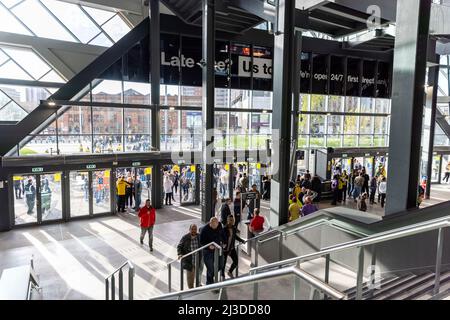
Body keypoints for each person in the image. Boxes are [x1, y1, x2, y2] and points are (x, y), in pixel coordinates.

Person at [199, 217, 225, 285]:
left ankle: (211, 278)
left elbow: (222, 233)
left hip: (218, 249)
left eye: (215, 226)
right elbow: (201, 242)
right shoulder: (204, 230)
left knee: (221, 265)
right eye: (213, 226)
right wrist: (208, 246)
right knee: (210, 268)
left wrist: (224, 241)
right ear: (210, 223)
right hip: (208, 251)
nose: (214, 228)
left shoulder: (219, 225)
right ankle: (209, 282)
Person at [177, 224, 202, 289]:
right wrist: (179, 254)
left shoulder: (199, 236)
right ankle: (191, 290)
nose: (194, 231)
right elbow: (179, 246)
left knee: (197, 275)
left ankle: (197, 286)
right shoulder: (185, 237)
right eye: (192, 229)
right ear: (189, 229)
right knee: (190, 278)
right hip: (189, 261)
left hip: (197, 260)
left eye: (195, 229)